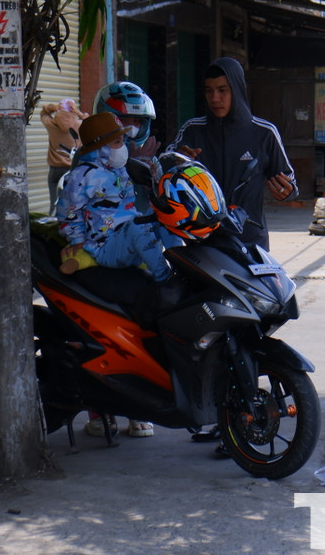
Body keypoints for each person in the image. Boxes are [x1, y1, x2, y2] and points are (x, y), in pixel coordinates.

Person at [57, 112, 182, 440]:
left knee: (157, 222)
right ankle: (164, 279)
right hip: (103, 246)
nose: (123, 146)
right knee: (143, 235)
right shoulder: (81, 176)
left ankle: (177, 269)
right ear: (99, 146)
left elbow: (131, 210)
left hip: (123, 236)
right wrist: (81, 248)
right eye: (116, 141)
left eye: (123, 141)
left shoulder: (120, 172)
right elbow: (67, 215)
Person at [170, 57, 296, 249]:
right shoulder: (192, 131)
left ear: (237, 89)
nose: (215, 99)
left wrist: (286, 191)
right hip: (202, 242)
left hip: (251, 241)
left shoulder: (264, 133)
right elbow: (164, 172)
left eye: (222, 90)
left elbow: (289, 182)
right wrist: (175, 163)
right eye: (209, 91)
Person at [39, 98, 83, 210]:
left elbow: (43, 112)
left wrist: (53, 108)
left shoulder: (51, 124)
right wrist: (78, 113)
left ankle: (54, 223)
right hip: (73, 170)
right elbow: (92, 122)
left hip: (55, 170)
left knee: (54, 203)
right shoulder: (79, 125)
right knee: (72, 203)